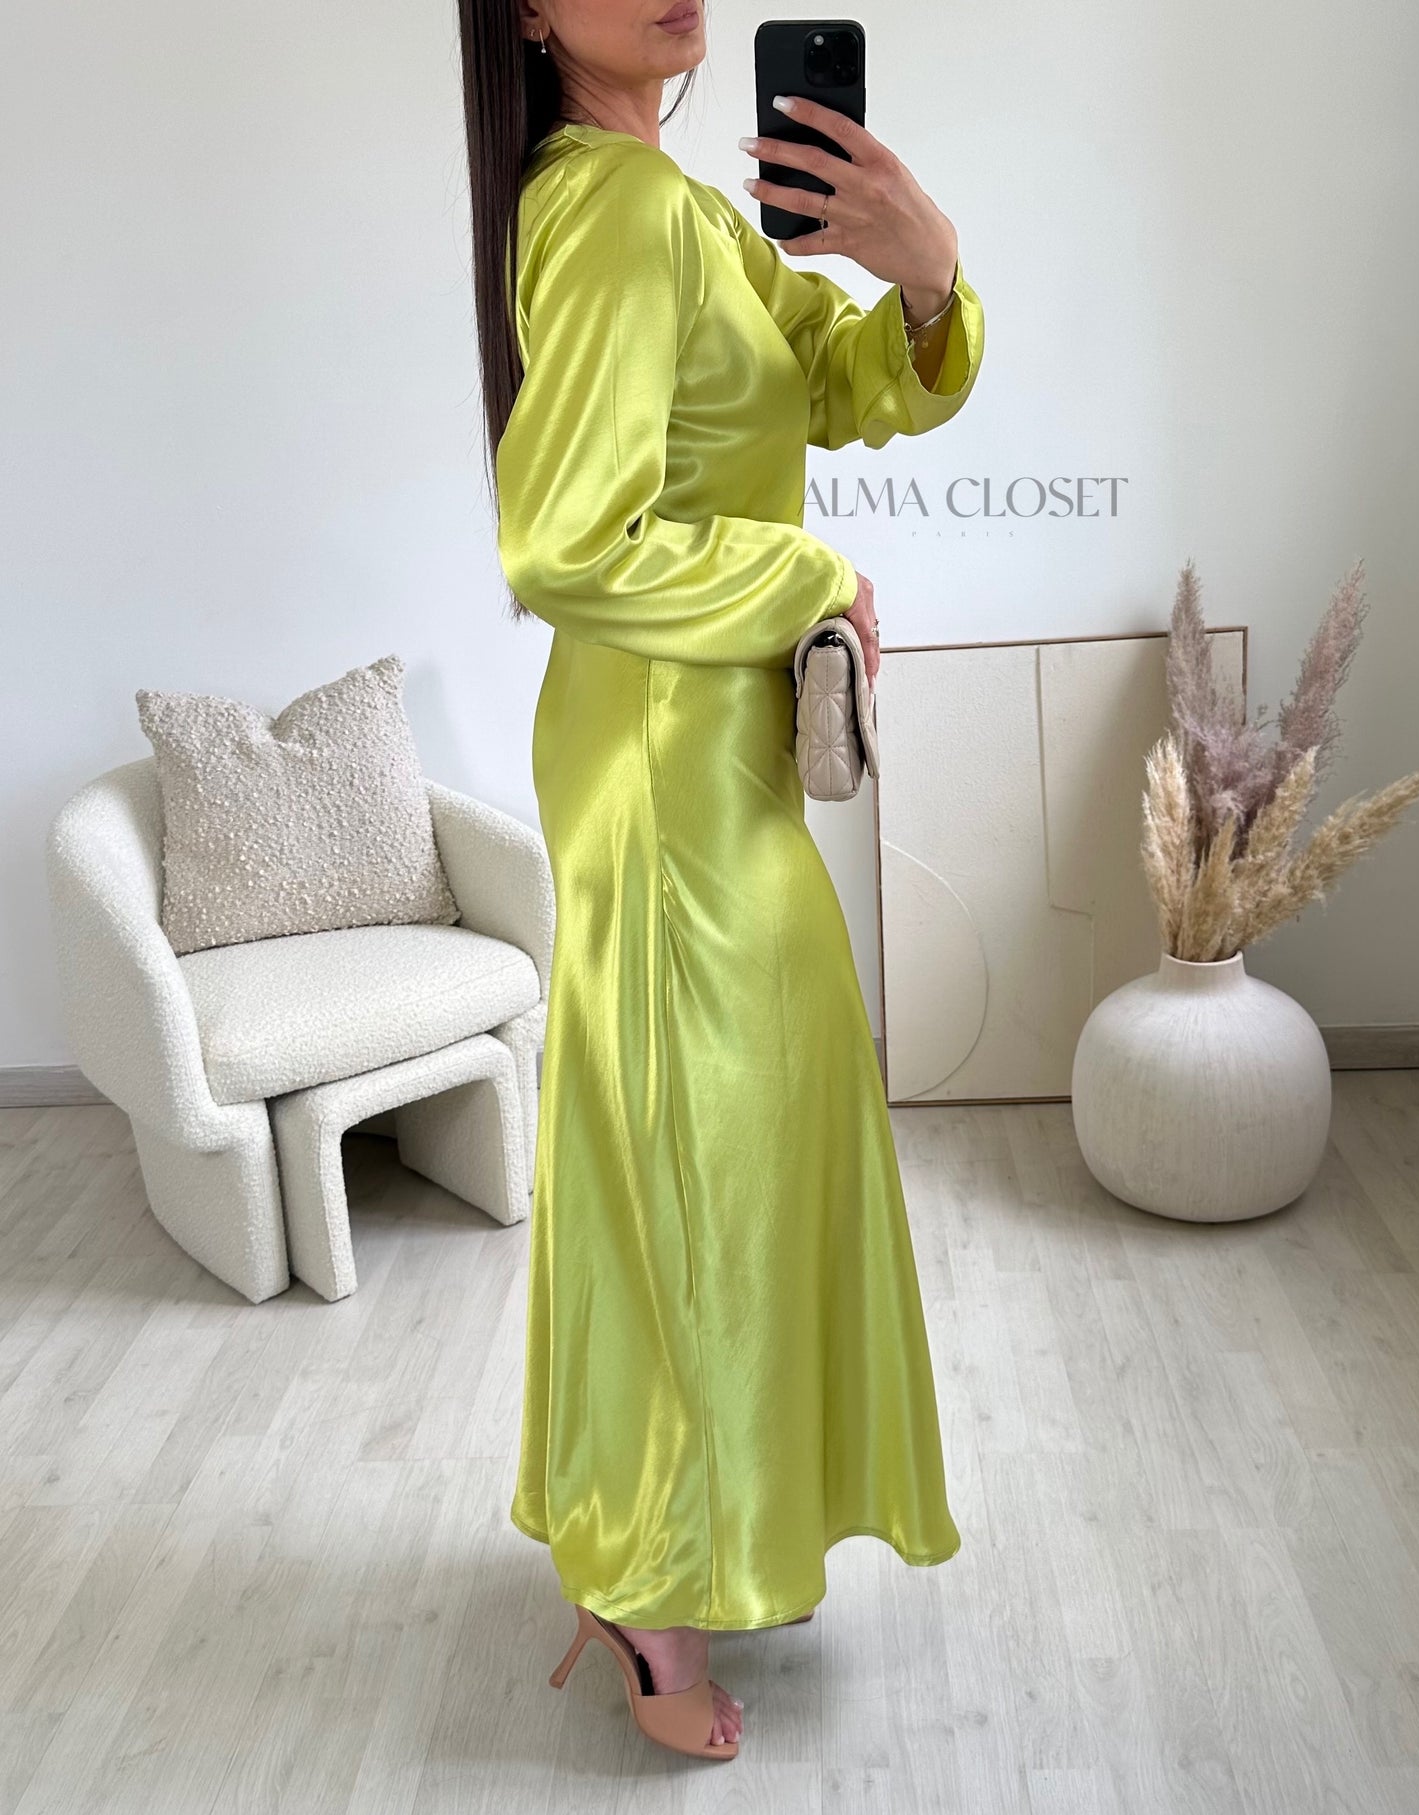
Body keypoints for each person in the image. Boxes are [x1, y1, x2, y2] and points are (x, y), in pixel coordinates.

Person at [455, 0, 985, 1762]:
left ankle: (684, 1532)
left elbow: (838, 383)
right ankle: (647, 1590)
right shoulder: (611, 209)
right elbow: (562, 542)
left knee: (715, 1155)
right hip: (665, 772)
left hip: (694, 755)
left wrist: (922, 272)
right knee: (692, 1168)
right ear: (530, 11)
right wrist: (806, 577)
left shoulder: (667, 204)